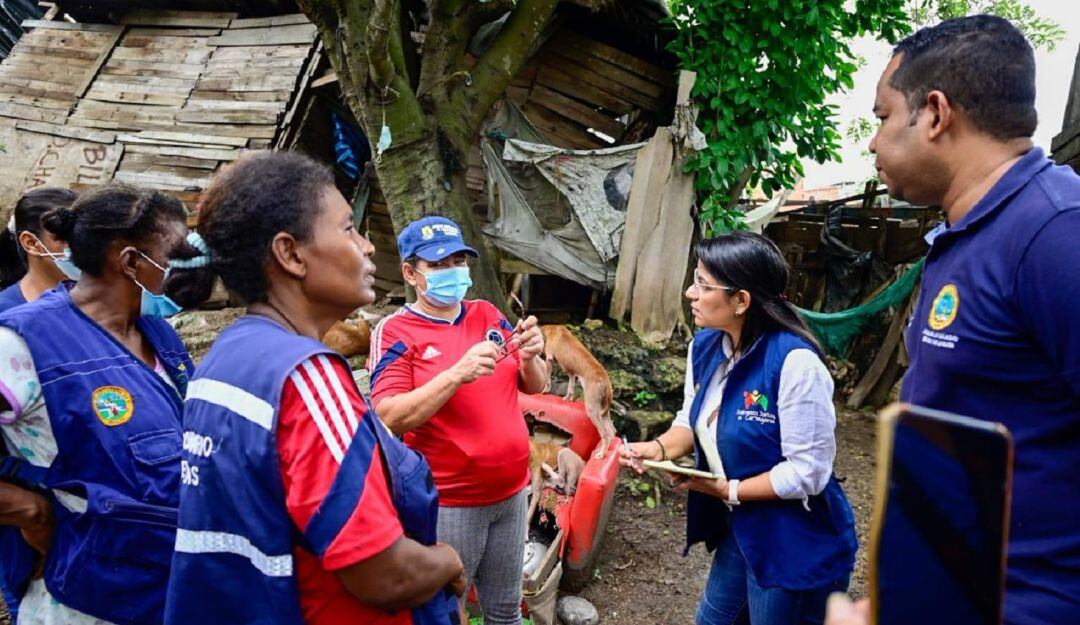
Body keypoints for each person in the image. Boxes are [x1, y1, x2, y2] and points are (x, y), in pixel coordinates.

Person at [163, 151, 465, 625]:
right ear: (290, 254)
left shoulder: (226, 356)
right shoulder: (305, 377)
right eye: (348, 228)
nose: (366, 247)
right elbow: (383, 574)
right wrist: (447, 560)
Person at [865, 14, 1080, 625]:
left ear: (934, 113)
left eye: (882, 118)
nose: (873, 142)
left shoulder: (1056, 233)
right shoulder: (965, 236)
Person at [619, 232, 858, 625]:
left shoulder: (795, 364)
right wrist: (657, 450)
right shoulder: (706, 345)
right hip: (743, 527)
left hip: (794, 542)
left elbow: (808, 472)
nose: (689, 294)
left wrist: (727, 490)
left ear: (741, 301)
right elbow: (691, 420)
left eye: (702, 284)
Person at [0, 183, 194, 625]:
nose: (189, 267)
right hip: (85, 601)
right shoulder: (21, 341)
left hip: (167, 587)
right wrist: (29, 512)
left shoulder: (156, 333)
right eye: (177, 255)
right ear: (129, 262)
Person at [368, 216, 547, 625]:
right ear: (411, 273)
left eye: (458, 261)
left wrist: (534, 354)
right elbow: (388, 415)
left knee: (505, 608)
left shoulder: (486, 314)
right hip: (451, 501)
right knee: (449, 611)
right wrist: (455, 374)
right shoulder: (395, 331)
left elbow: (535, 385)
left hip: (510, 492)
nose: (453, 272)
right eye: (439, 264)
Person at [0, 188, 79, 311]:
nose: (83, 243)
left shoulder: (104, 303)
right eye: (67, 235)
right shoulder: (6, 314)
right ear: (31, 243)